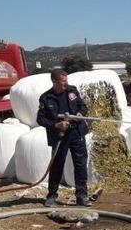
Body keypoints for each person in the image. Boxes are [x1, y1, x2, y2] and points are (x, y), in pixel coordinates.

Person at [36, 69, 91, 207]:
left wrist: (80, 113)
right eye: (63, 81)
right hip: (59, 136)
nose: (66, 83)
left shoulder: (72, 91)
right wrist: (57, 125)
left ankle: (81, 195)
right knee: (57, 164)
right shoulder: (46, 98)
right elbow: (40, 119)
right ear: (54, 82)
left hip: (76, 132)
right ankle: (52, 196)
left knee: (80, 164)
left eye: (67, 80)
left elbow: (82, 106)